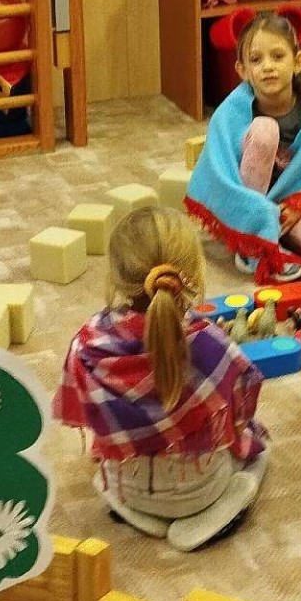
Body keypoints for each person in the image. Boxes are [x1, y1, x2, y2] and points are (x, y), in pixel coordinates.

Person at [54, 208, 267, 552]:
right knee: (258, 448)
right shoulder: (211, 344)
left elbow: (84, 410)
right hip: (198, 492)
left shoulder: (87, 343)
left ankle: (137, 512)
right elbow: (240, 413)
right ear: (191, 273)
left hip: (126, 486)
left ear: (116, 277)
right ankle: (214, 514)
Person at [185, 8, 301, 281]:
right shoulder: (230, 111)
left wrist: (298, 206)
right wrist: (252, 215)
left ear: (298, 61)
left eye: (278, 56)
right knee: (265, 130)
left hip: (291, 202)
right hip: (249, 203)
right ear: (243, 70)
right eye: (256, 60)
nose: (268, 66)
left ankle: (281, 234)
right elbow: (218, 169)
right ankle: (253, 241)